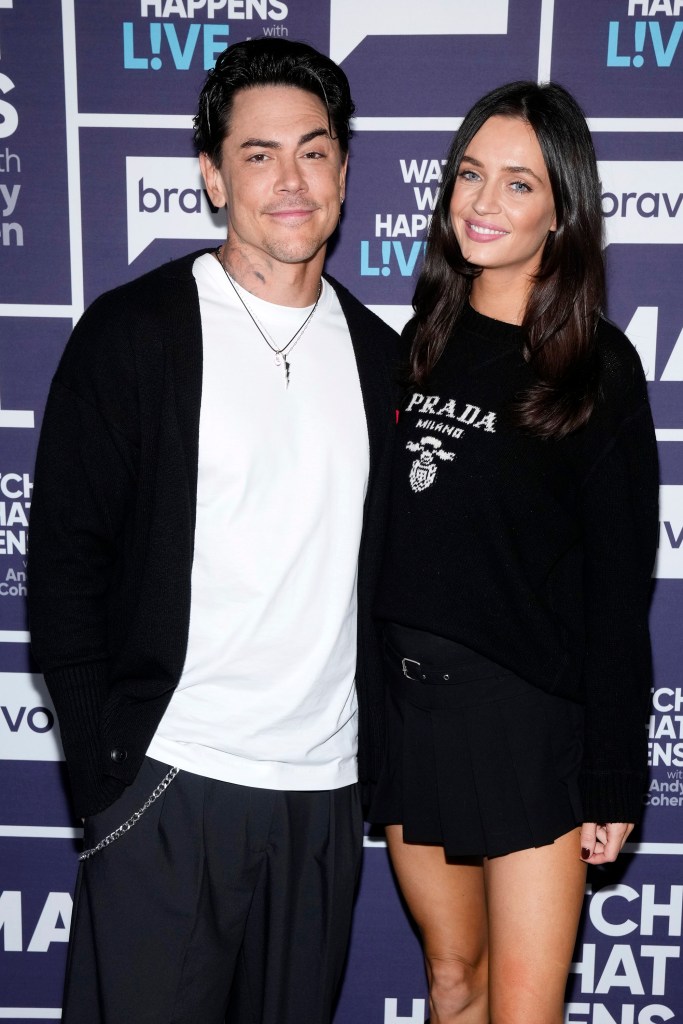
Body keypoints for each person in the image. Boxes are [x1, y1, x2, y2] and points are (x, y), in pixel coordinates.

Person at [27, 38, 397, 1024]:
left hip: (322, 793)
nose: (289, 180)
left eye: (313, 152)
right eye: (258, 154)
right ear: (210, 174)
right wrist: (109, 770)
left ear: (345, 171)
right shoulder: (133, 333)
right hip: (169, 779)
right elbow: (64, 565)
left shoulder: (380, 359)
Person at [371, 81, 659, 1024]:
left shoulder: (596, 369)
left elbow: (618, 597)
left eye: (517, 185)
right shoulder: (417, 343)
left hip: (527, 728)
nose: (481, 203)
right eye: (469, 175)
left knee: (522, 1014)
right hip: (410, 719)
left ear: (560, 212)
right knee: (452, 984)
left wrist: (614, 775)